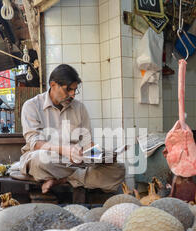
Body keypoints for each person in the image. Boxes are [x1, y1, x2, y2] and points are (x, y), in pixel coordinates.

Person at [19, 64, 125, 194]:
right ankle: (75, 177)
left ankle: (63, 179)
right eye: (68, 89)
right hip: (49, 159)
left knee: (118, 168)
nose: (72, 95)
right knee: (39, 160)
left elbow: (87, 144)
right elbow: (34, 143)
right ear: (53, 85)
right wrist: (64, 150)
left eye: (75, 90)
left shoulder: (79, 108)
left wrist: (103, 156)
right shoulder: (32, 106)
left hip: (76, 162)